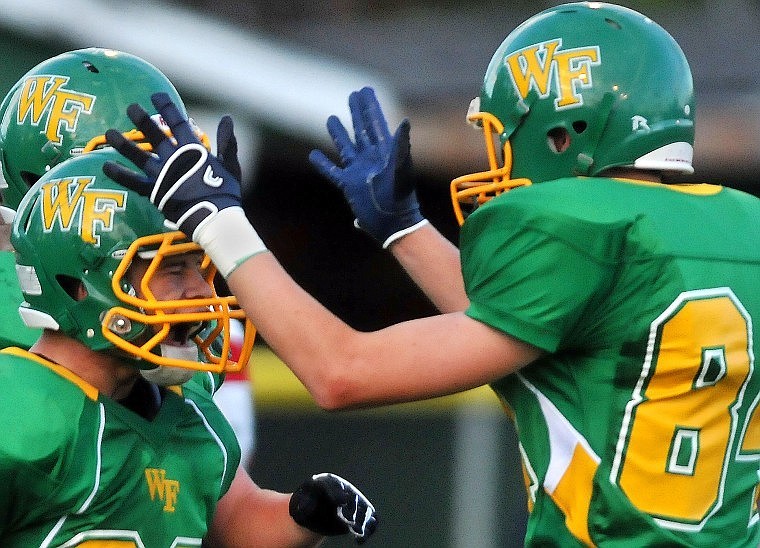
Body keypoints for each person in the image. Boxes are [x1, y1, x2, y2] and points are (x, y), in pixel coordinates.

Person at [102, 2, 760, 546]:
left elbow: (341, 371)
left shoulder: (581, 224)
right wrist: (405, 231)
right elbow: (528, 324)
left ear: (565, 134)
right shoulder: (740, 228)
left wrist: (218, 224)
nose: (500, 157)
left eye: (507, 135)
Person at [0, 148, 377, 546]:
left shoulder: (188, 411)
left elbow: (235, 524)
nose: (200, 292)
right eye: (173, 267)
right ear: (79, 286)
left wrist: (304, 515)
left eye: (201, 267)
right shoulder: (19, 412)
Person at [0, 47, 257, 466]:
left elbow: (216, 491)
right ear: (44, 174)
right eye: (138, 154)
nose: (170, 174)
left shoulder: (192, 310)